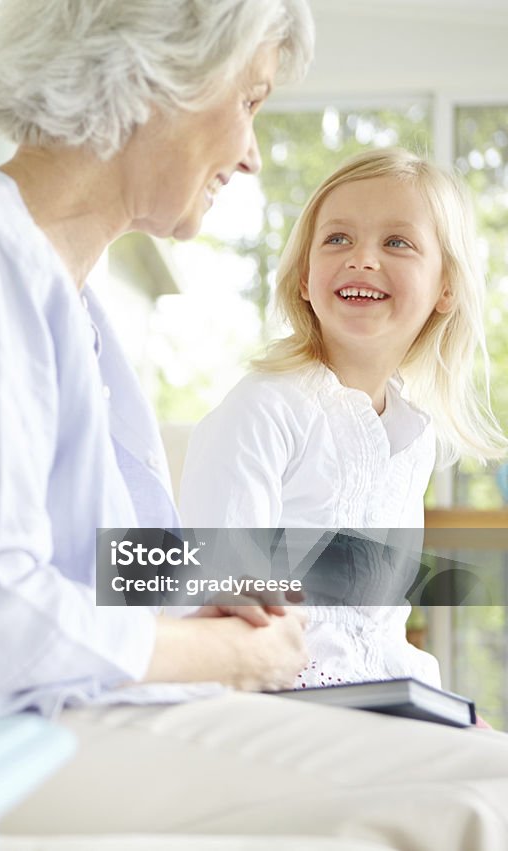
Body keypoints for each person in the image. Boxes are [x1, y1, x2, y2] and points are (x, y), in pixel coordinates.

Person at [0, 2, 508, 847]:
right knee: (485, 798)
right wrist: (225, 658)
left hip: (40, 703)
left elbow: (62, 554)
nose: (250, 153)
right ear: (158, 76)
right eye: (249, 101)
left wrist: (208, 588)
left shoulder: (66, 293)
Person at [180, 148, 508, 690]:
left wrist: (439, 708)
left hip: (374, 702)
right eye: (337, 239)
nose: (362, 259)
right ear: (305, 278)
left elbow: (382, 631)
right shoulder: (264, 410)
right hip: (274, 709)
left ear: (446, 287)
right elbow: (219, 605)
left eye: (396, 242)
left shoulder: (412, 437)